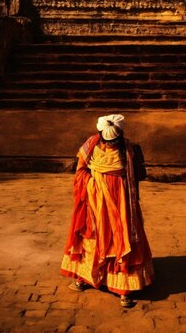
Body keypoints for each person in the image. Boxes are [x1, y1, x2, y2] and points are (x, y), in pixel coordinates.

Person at [60, 114, 154, 307]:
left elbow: (138, 175)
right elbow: (80, 171)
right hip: (94, 202)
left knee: (121, 237)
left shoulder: (130, 149)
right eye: (107, 140)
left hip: (121, 203)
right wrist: (93, 184)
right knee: (92, 236)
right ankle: (85, 277)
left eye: (115, 141)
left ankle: (123, 288)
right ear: (100, 135)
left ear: (120, 136)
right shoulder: (90, 146)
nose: (111, 144)